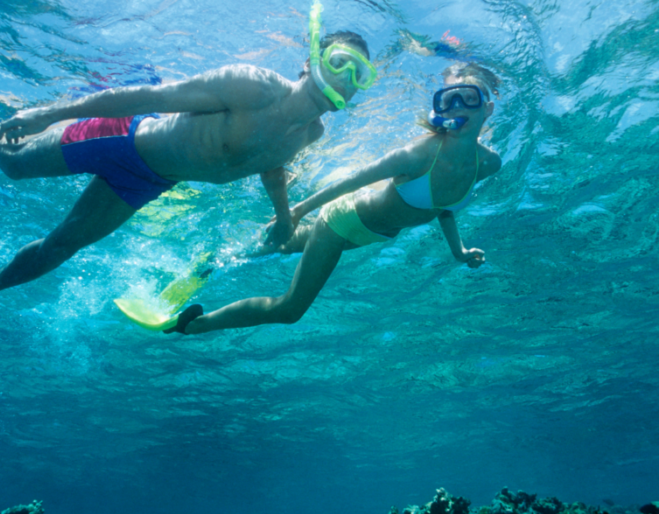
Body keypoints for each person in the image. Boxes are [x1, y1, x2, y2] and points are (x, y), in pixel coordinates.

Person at [0, 3, 377, 307]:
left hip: (147, 182)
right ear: (311, 61)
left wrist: (285, 219)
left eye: (359, 75)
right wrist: (46, 113)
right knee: (12, 164)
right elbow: (149, 95)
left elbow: (271, 165)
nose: (346, 78)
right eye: (341, 62)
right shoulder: (254, 86)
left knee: (60, 247)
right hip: (120, 138)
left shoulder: (311, 132)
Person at [168, 62, 502, 335]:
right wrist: (296, 211)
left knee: (279, 246)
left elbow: (443, 207)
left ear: (487, 108)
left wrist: (458, 251)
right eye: (448, 99)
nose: (457, 106)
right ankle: (195, 325)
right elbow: (353, 180)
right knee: (290, 310)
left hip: (369, 235)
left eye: (468, 98)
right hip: (342, 222)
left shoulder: (487, 164)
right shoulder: (419, 154)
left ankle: (214, 262)